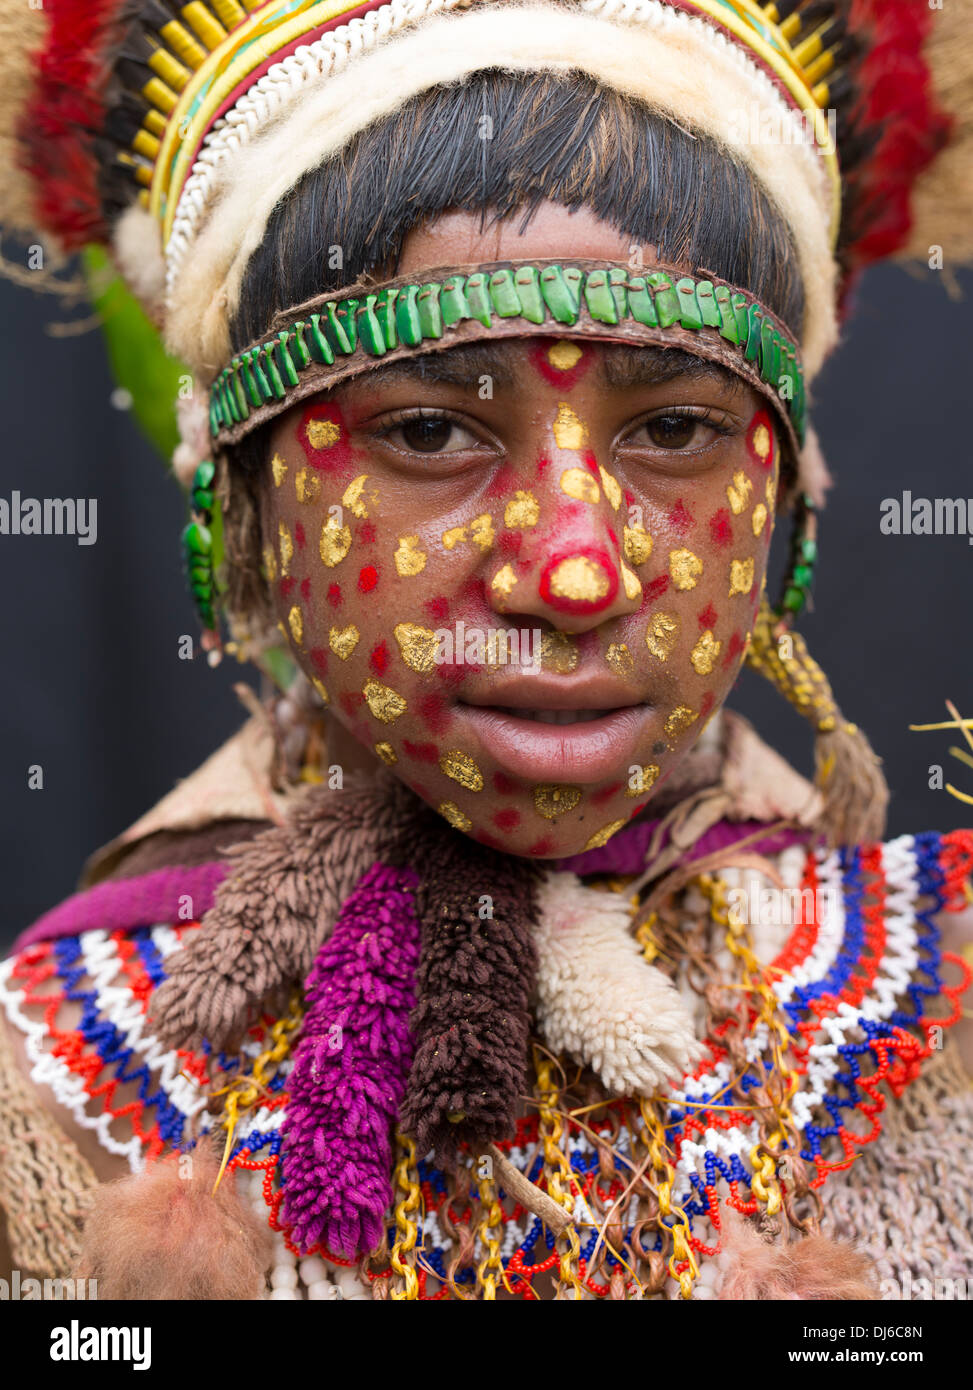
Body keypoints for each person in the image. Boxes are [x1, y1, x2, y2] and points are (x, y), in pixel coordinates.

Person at [0, 0, 971, 1301]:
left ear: (785, 517)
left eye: (673, 427)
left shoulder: (935, 1021)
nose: (573, 569)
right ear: (239, 511)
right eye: (429, 434)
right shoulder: (50, 1087)